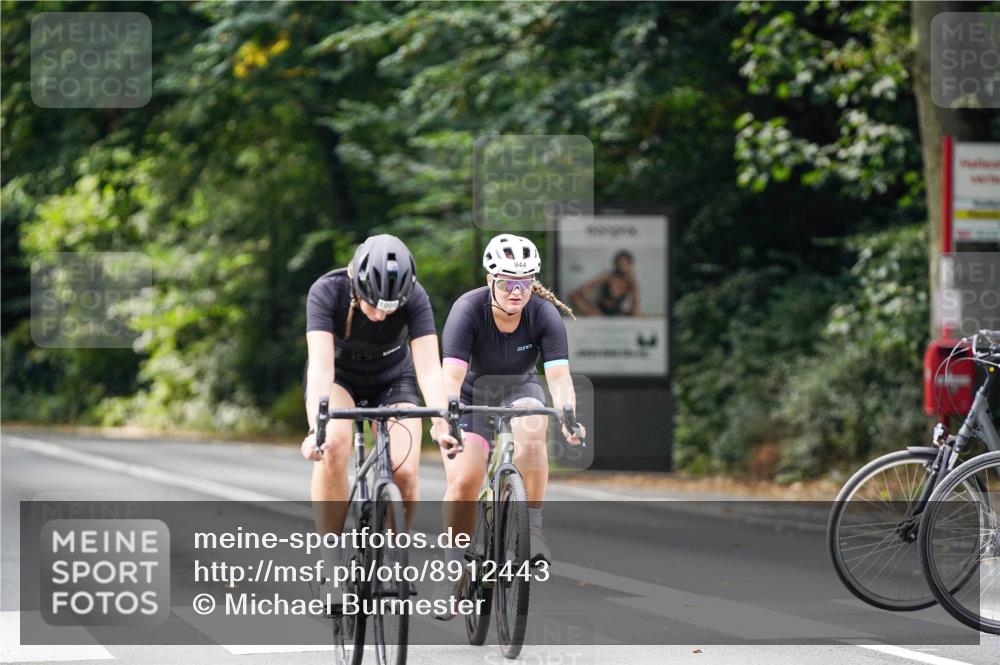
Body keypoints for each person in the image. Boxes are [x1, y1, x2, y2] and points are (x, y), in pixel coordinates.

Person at [300, 234, 458, 610]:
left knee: (405, 471)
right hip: (340, 378)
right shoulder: (327, 291)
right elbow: (322, 368)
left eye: (392, 307)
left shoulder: (416, 297)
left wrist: (441, 423)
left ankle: (392, 554)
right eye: (374, 305)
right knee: (334, 448)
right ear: (357, 284)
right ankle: (332, 564)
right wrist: (315, 430)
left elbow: (429, 370)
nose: (383, 315)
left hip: (393, 378)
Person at [434, 233, 584, 617]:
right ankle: (456, 568)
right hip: (472, 395)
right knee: (464, 479)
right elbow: (450, 376)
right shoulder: (467, 310)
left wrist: (567, 414)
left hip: (520, 388)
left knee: (534, 429)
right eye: (506, 283)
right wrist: (446, 415)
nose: (516, 292)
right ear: (490, 280)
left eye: (524, 283)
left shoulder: (543, 313)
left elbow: (560, 378)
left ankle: (532, 531)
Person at [570, 249, 639, 316]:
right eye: (621, 263)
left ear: (630, 265)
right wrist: (585, 295)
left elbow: (635, 302)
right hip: (599, 311)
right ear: (617, 264)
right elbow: (586, 287)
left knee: (636, 312)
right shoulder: (608, 276)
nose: (623, 266)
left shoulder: (631, 282)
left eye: (625, 264)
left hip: (617, 313)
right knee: (575, 295)